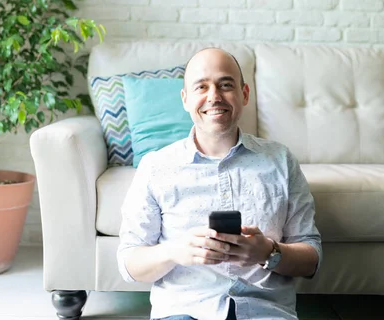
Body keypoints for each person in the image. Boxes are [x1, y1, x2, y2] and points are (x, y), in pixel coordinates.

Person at [117, 48, 322, 320]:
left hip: (264, 312)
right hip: (183, 311)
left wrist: (269, 252)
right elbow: (129, 264)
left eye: (225, 85)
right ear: (185, 99)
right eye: (201, 87)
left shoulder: (281, 161)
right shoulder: (155, 168)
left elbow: (311, 259)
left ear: (244, 94)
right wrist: (174, 251)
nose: (214, 96)